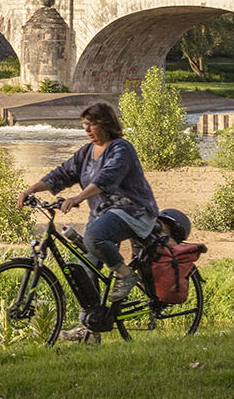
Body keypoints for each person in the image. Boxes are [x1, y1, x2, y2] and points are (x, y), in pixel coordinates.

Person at [19, 101, 158, 344]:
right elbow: (62, 173)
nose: (87, 129)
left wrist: (78, 197)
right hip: (103, 216)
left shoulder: (121, 149)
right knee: (84, 269)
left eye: (92, 124)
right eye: (85, 125)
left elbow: (108, 177)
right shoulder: (86, 152)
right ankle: (91, 328)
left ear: (107, 125)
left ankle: (126, 275)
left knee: (94, 238)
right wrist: (31, 189)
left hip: (132, 211)